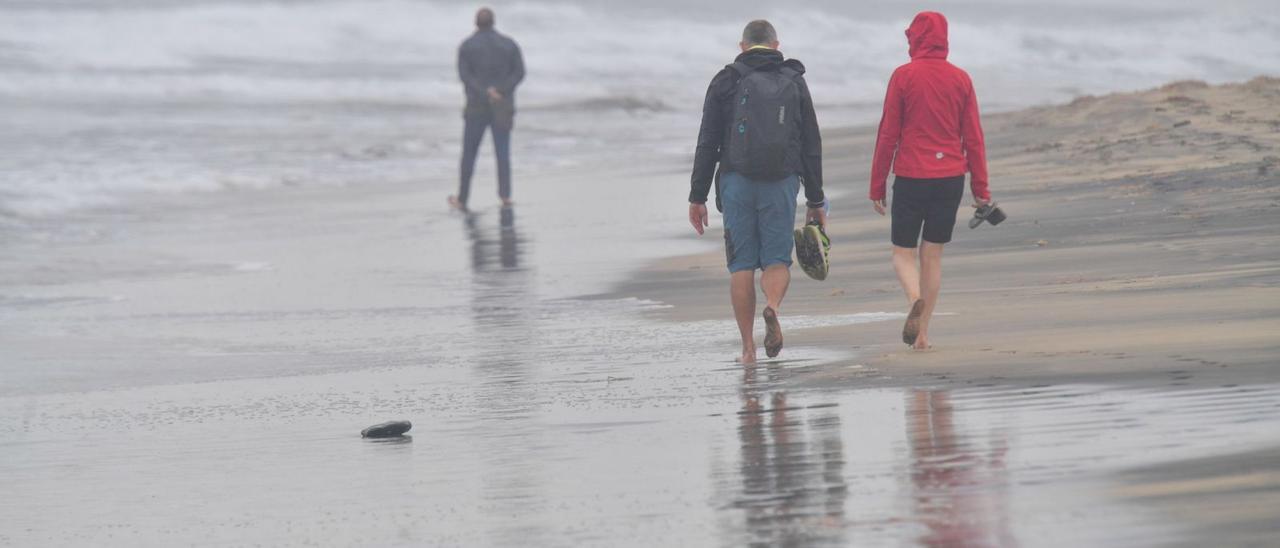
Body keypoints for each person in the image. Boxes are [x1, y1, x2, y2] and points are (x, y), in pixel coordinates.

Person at [688, 20, 826, 364]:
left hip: (736, 181)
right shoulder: (794, 81)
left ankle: (748, 349)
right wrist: (815, 199)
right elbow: (811, 142)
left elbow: (707, 142)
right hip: (781, 181)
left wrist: (698, 196)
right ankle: (773, 307)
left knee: (741, 266)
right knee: (777, 260)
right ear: (776, 46)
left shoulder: (726, 79)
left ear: (742, 46)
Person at [869, 11, 992, 350]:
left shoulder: (903, 76)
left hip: (911, 176)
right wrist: (981, 191)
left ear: (915, 38)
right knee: (932, 255)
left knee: (903, 253)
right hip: (951, 177)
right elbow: (974, 139)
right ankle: (922, 334)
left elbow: (888, 134)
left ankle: (913, 300)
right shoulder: (961, 79)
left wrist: (877, 185)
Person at [450, 7, 524, 211]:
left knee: (469, 153)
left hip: (476, 106)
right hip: (503, 105)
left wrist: (485, 92)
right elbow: (519, 73)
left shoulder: (466, 46)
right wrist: (500, 90)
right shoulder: (509, 45)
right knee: (502, 152)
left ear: (476, 23)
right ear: (493, 22)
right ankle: (505, 196)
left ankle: (463, 198)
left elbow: (465, 76)